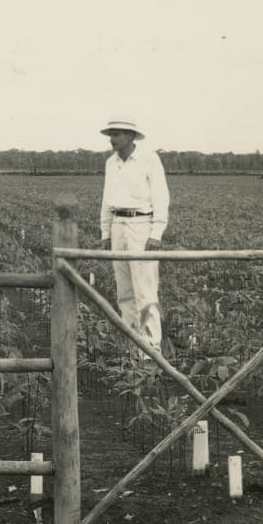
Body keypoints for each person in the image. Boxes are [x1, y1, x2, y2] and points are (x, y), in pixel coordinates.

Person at [99, 117, 170, 354]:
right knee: (124, 292)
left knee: (145, 291)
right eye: (111, 134)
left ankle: (150, 354)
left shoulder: (150, 159)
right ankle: (131, 352)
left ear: (130, 136)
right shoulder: (111, 163)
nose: (112, 139)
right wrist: (105, 231)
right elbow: (107, 199)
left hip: (141, 225)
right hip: (118, 224)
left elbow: (161, 196)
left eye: (116, 134)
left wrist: (156, 232)